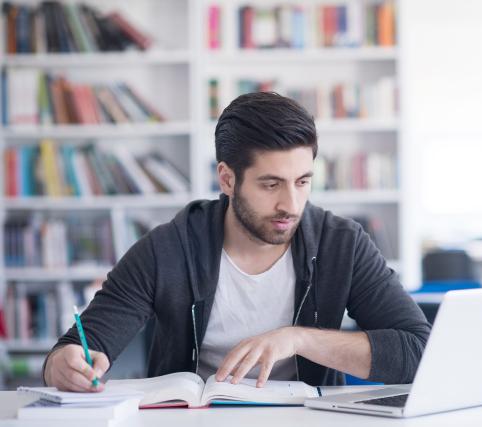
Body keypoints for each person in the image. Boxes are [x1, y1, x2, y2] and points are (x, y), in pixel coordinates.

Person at [43, 92, 430, 392]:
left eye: (303, 182)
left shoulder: (341, 245)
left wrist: (297, 340)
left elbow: (417, 351)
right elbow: (76, 346)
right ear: (227, 179)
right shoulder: (167, 249)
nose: (290, 205)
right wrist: (65, 364)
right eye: (270, 184)